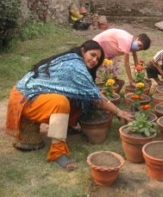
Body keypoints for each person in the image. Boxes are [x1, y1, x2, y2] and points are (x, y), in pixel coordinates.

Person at [5, 40, 133, 171]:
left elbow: (93, 92)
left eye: (97, 58)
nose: (94, 60)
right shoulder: (75, 66)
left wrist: (108, 102)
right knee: (61, 102)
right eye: (92, 55)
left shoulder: (76, 62)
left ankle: (65, 127)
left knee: (77, 96)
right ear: (83, 51)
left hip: (33, 95)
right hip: (24, 98)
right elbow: (97, 99)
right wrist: (119, 112)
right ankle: (57, 153)